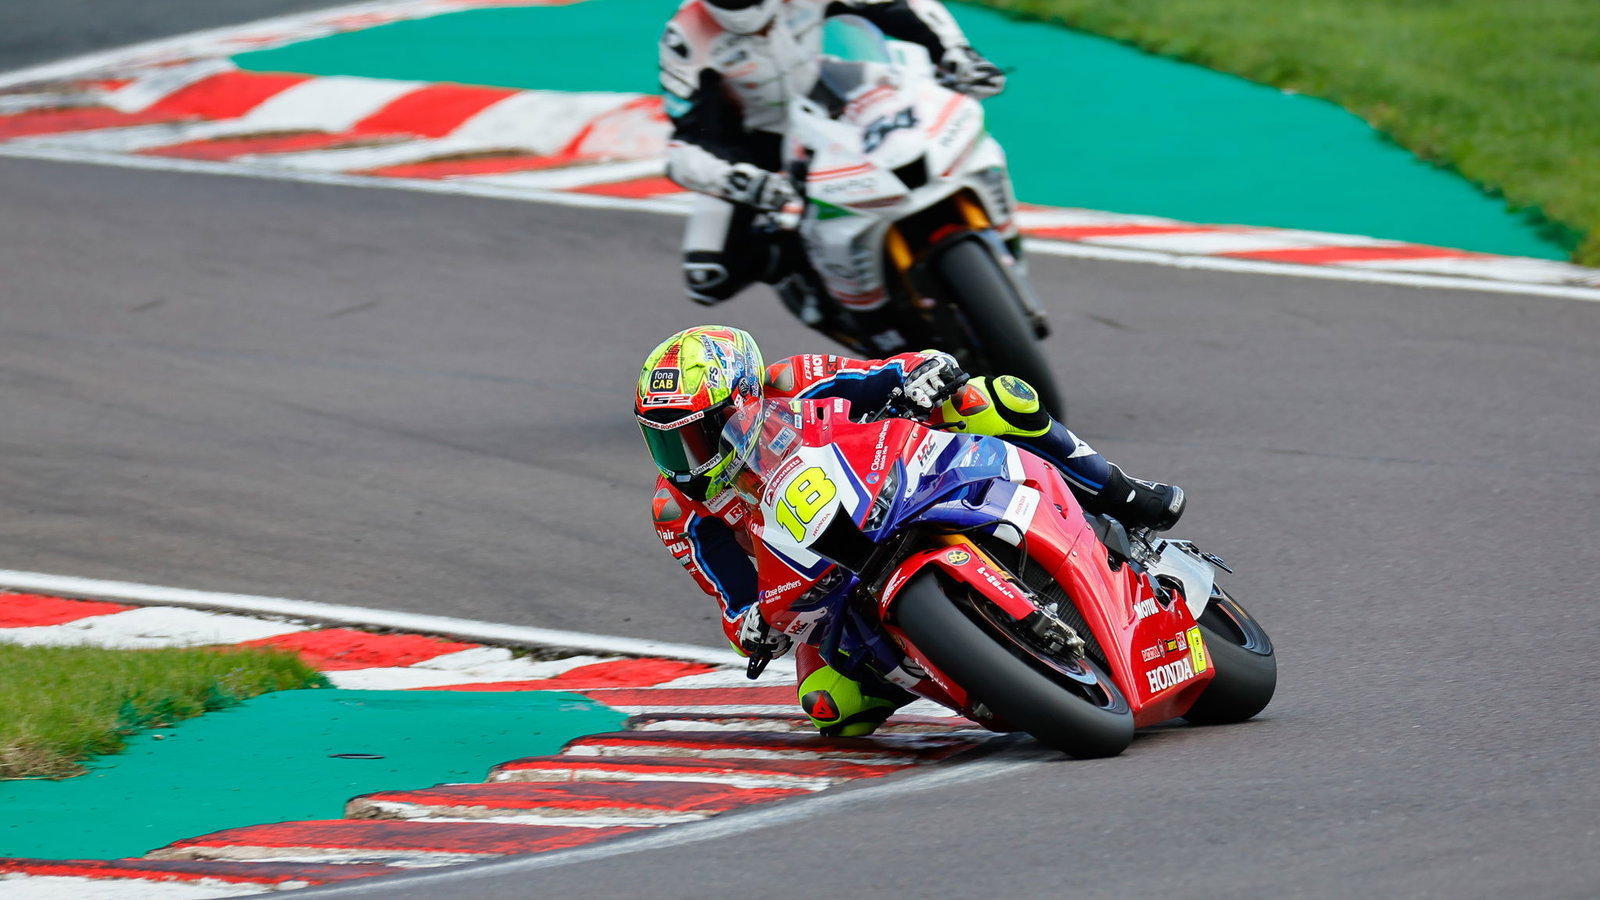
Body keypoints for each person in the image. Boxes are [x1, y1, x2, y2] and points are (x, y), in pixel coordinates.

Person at [635, 325, 1185, 737]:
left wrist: (925, 375)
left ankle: (1120, 491)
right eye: (663, 441)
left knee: (985, 399)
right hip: (827, 580)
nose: (681, 459)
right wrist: (753, 627)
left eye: (696, 436)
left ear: (745, 402)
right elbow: (733, 602)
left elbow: (899, 369)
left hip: (896, 477)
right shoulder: (676, 509)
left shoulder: (794, 381)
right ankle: (972, 674)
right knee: (831, 707)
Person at [659, 0, 1006, 353]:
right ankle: (815, 285)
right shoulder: (685, 35)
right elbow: (686, 141)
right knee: (709, 277)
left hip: (830, 94)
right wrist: (740, 180)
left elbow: (898, 5)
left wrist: (955, 52)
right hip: (757, 143)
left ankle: (990, 225)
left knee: (937, 117)